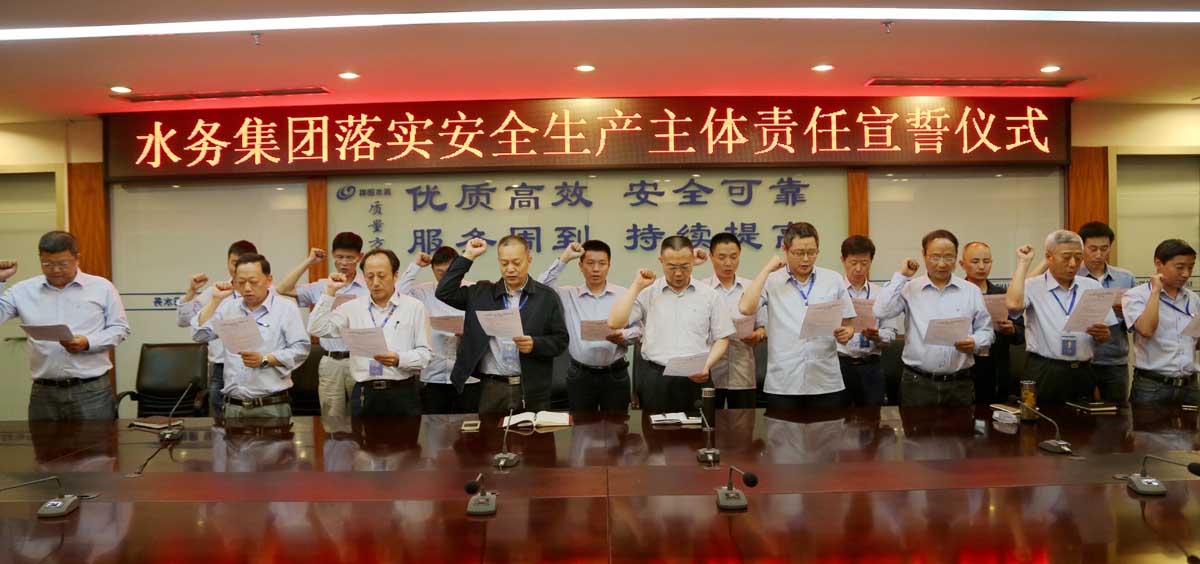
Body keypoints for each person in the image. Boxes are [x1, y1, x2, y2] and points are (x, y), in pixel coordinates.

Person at [0, 231, 130, 420]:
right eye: (47, 264)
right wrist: (0, 280)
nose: (55, 270)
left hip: (91, 390)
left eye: (63, 263)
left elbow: (120, 328)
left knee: (97, 440)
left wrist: (87, 342)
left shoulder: (102, 287)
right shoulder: (23, 290)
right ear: (40, 258)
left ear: (77, 258)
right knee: (44, 441)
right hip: (44, 391)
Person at [435, 235, 569, 414]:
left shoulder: (546, 297)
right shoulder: (481, 294)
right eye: (504, 263)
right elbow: (444, 292)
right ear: (498, 262)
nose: (510, 269)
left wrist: (535, 344)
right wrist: (468, 256)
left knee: (532, 432)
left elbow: (561, 340)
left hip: (532, 388)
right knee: (489, 432)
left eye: (516, 262)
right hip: (491, 386)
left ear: (529, 260)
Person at [609, 236, 734, 413]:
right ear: (661, 261)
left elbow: (722, 338)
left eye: (685, 266)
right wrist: (636, 286)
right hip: (657, 378)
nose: (678, 273)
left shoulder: (709, 295)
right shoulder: (648, 293)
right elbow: (615, 322)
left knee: (700, 429)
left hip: (696, 377)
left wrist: (707, 365)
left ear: (693, 260)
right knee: (656, 430)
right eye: (672, 267)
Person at [739, 223, 856, 409]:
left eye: (812, 252)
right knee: (781, 429)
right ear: (785, 249)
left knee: (830, 428)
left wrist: (847, 332)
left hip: (825, 381)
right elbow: (746, 308)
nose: (806, 259)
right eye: (799, 253)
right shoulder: (772, 281)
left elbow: (849, 323)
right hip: (784, 384)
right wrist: (766, 269)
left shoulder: (833, 280)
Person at [875, 229, 994, 407]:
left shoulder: (971, 291)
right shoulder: (909, 288)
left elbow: (987, 331)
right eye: (935, 257)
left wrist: (975, 342)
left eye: (949, 257)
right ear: (924, 255)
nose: (942, 264)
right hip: (917, 383)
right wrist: (901, 276)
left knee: (960, 426)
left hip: (959, 383)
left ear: (956, 258)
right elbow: (881, 311)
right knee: (915, 426)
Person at [308, 249, 432, 416]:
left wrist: (399, 359)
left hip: (403, 392)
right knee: (360, 434)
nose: (375, 282)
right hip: (364, 393)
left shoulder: (414, 307)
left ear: (395, 276)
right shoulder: (352, 308)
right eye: (370, 276)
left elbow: (425, 354)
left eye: (382, 276)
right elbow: (316, 328)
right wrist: (330, 292)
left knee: (406, 434)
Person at [1005, 231, 1118, 405]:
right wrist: (1023, 263)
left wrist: (1103, 334)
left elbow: (1105, 332)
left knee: (1083, 420)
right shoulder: (1033, 285)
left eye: (1078, 258)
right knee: (1041, 419)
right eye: (1066, 257)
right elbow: (1013, 305)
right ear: (1049, 257)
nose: (1073, 264)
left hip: (1083, 369)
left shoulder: (1092, 286)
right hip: (1045, 369)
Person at [192, 254, 310, 418]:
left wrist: (265, 359)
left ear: (269, 279)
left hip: (271, 405)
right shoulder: (228, 308)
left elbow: (301, 349)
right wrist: (215, 300)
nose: (247, 288)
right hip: (233, 406)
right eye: (241, 282)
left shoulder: (285, 308)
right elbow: (199, 335)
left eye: (253, 282)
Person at [537, 240, 642, 412]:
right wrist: (564, 258)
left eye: (602, 263)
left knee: (618, 424)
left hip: (615, 373)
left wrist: (624, 336)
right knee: (581, 425)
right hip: (580, 375)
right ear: (580, 266)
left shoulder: (624, 294)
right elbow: (540, 287)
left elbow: (639, 330)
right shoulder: (568, 295)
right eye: (590, 263)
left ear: (609, 266)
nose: (596, 269)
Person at [276, 232, 368, 417]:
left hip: (360, 359)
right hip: (330, 360)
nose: (344, 263)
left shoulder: (368, 286)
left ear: (360, 256)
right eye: (339, 257)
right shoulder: (322, 286)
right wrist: (309, 261)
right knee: (331, 416)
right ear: (333, 255)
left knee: (361, 415)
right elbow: (282, 288)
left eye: (349, 258)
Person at [176, 239, 258, 416]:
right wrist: (192, 291)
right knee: (220, 426)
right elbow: (184, 321)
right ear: (227, 262)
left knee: (258, 423)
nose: (237, 269)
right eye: (234, 263)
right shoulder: (216, 292)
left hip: (257, 366)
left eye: (244, 263)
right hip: (220, 369)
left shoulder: (266, 293)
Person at [396, 246, 481, 414]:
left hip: (468, 377)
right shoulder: (423, 292)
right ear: (433, 269)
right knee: (433, 425)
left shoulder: (474, 290)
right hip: (434, 375)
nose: (444, 277)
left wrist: (471, 331)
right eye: (439, 272)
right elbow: (396, 296)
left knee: (468, 426)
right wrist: (416, 266)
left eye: (449, 272)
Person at [1122, 239, 1199, 405]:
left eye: (1191, 267)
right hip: (1152, 385)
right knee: (1146, 423)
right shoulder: (1135, 295)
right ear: (1158, 263)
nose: (1186, 274)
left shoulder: (1192, 298)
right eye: (1180, 267)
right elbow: (1146, 330)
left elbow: (1195, 343)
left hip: (1189, 384)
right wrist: (1156, 291)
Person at [699, 233, 766, 409]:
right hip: (709, 373)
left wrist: (758, 335)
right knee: (709, 422)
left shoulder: (752, 288)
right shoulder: (701, 289)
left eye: (733, 257)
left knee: (744, 423)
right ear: (711, 257)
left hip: (743, 373)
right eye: (722, 257)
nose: (728, 263)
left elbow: (762, 326)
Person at [959, 241, 1025, 405]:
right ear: (962, 264)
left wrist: (1012, 329)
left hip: (997, 367)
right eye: (975, 261)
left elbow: (1021, 333)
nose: (982, 266)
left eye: (986, 261)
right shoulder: (957, 294)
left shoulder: (1004, 294)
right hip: (965, 367)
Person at [838, 235, 900, 407]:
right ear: (843, 260)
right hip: (839, 365)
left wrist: (878, 336)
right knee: (837, 418)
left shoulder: (881, 294)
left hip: (871, 367)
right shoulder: (833, 291)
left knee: (872, 419)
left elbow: (891, 333)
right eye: (853, 262)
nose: (859, 268)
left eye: (864, 263)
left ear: (871, 261)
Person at [1078, 221, 1137, 404]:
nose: (1099, 254)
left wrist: (1126, 314)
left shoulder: (1125, 278)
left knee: (1117, 413)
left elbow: (1135, 325)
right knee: (1078, 414)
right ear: (1082, 247)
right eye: (1093, 248)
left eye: (1104, 248)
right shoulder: (1072, 277)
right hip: (1080, 358)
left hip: (1114, 359)